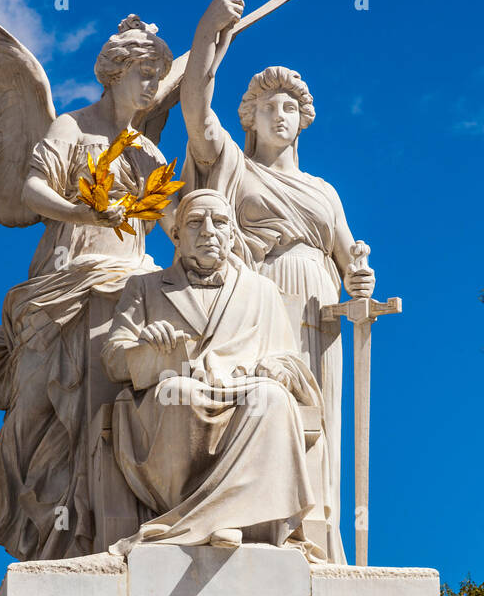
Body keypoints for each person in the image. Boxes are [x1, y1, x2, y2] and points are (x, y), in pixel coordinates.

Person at [0, 16, 175, 581]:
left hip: (129, 283)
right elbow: (32, 190)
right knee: (31, 410)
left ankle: (92, 537)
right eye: (143, 73)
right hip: (66, 280)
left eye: (157, 75)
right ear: (114, 73)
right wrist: (82, 211)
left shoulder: (144, 148)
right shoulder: (69, 126)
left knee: (102, 415)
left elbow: (175, 216)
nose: (152, 85)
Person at [180, 0, 376, 561]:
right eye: (270, 107)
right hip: (258, 298)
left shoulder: (323, 191)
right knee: (265, 401)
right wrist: (210, 28)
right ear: (251, 118)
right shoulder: (232, 167)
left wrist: (361, 281)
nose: (281, 115)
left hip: (320, 305)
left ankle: (315, 534)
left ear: (304, 120)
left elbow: (349, 258)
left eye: (290, 107)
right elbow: (194, 103)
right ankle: (258, 522)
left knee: (319, 415)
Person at [101, 189, 326, 554]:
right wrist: (145, 347)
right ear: (175, 235)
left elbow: (290, 360)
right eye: (195, 222)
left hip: (244, 387)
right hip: (174, 392)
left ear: (233, 236)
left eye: (220, 222)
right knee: (179, 394)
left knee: (271, 399)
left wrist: (277, 368)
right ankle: (199, 515)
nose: (209, 230)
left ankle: (231, 518)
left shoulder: (262, 291)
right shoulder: (144, 287)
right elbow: (112, 360)